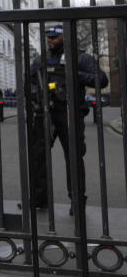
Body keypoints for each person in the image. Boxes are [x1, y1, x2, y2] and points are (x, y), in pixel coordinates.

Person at [26, 24, 108, 214]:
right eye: (48, 37)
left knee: (73, 157)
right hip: (44, 112)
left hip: (69, 113)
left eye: (54, 37)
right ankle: (39, 200)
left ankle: (77, 202)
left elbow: (101, 80)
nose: (50, 40)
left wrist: (75, 74)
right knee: (38, 156)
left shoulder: (80, 58)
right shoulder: (41, 59)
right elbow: (28, 82)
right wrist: (37, 94)